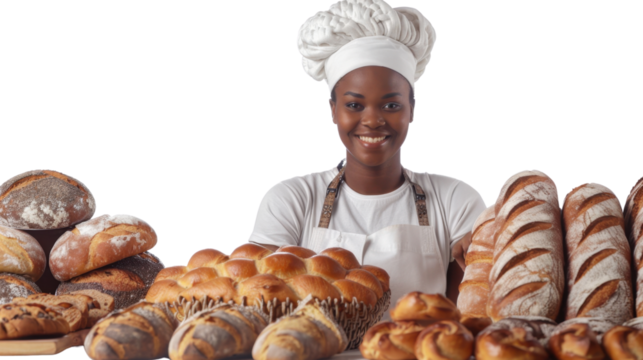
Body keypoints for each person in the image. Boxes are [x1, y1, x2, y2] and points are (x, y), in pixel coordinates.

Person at [247, 0, 487, 317]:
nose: (373, 120)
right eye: (355, 105)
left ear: (412, 111)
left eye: (390, 105)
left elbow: (469, 316)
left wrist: (483, 260)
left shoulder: (455, 198)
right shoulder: (292, 198)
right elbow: (256, 295)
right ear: (333, 110)